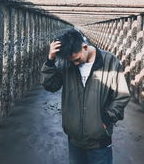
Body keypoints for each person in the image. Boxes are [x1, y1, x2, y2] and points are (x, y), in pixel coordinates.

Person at [40, 29, 131, 164]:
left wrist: (107, 119)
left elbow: (122, 95)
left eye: (77, 59)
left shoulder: (109, 61)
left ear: (84, 47)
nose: (75, 64)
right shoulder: (67, 62)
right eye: (72, 61)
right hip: (74, 140)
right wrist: (50, 60)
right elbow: (50, 85)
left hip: (100, 142)